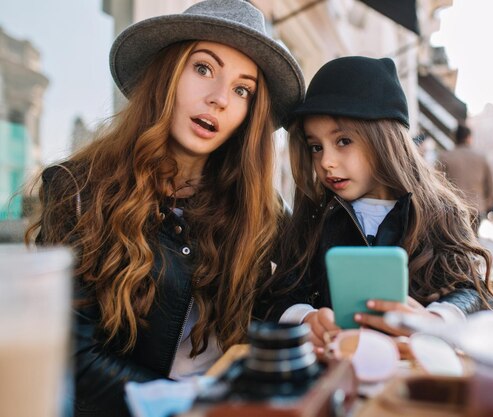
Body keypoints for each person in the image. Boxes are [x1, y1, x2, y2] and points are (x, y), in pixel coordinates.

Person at [25, 1, 304, 416]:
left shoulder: (262, 210)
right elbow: (73, 359)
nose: (220, 99)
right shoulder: (79, 189)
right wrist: (198, 404)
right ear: (167, 74)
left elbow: (268, 316)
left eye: (242, 89)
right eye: (204, 69)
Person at [264, 56, 493, 348]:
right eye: (315, 147)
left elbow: (470, 290)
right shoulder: (314, 219)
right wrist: (305, 319)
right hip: (334, 369)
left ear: (385, 139)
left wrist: (435, 320)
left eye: (343, 141)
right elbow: (280, 295)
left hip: (414, 372)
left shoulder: (439, 215)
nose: (326, 162)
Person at [437, 124, 493, 235]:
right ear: (469, 137)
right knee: (473, 239)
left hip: (454, 208)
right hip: (477, 208)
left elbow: (437, 182)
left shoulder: (445, 157)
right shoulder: (481, 157)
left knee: (457, 240)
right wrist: (488, 203)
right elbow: (490, 184)